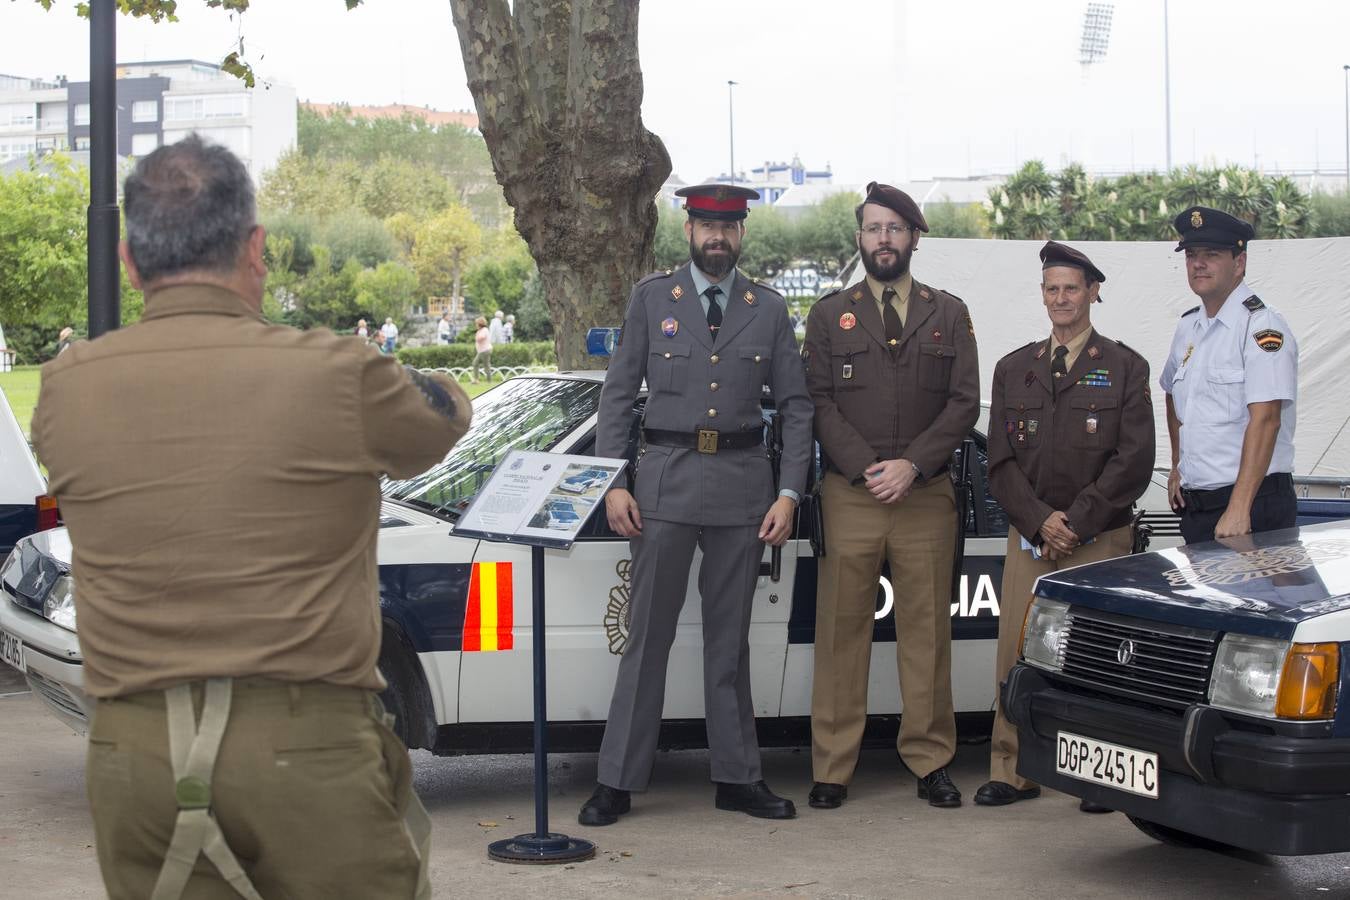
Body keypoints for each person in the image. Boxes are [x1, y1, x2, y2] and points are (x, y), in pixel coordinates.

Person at [31, 135, 472, 900]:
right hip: (305, 746)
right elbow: (437, 424)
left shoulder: (66, 388)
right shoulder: (335, 374)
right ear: (256, 248)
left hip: (135, 755)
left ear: (131, 264)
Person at [578, 182, 812, 826]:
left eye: (729, 227)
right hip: (663, 486)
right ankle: (617, 781)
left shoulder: (767, 309)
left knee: (727, 643)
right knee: (645, 639)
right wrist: (614, 482)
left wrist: (789, 492)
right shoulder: (654, 299)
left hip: (742, 489)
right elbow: (618, 396)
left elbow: (795, 409)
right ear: (687, 229)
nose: (718, 237)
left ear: (742, 234)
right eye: (707, 225)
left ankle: (738, 777)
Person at [802, 182, 979, 811]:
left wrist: (913, 465)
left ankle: (931, 758)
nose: (884, 239)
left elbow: (964, 403)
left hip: (925, 494)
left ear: (913, 237)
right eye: (873, 228)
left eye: (895, 229)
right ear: (860, 238)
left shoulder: (948, 312)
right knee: (840, 632)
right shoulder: (829, 315)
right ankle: (832, 765)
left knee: (927, 633)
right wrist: (869, 467)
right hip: (852, 494)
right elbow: (817, 401)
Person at [977, 241, 1154, 811]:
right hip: (1032, 538)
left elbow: (1134, 460)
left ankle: (1101, 778)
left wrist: (1074, 523)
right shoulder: (1013, 369)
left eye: (1071, 289)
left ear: (1093, 292)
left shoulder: (1125, 367)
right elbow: (999, 462)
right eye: (1052, 289)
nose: (1060, 299)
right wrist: (1039, 521)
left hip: (1099, 538)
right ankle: (1011, 767)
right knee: (1017, 655)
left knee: (1100, 659)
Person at [1161, 206, 1298, 544]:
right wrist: (1177, 463)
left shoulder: (1262, 326)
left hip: (1252, 507)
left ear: (1239, 262)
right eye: (1191, 254)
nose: (1198, 263)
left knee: (1254, 600)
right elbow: (1170, 392)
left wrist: (1240, 507)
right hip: (1197, 509)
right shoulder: (1187, 327)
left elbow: (1266, 420)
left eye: (1212, 254)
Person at [471, 315, 492, 384]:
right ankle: (488, 380)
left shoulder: (484, 330)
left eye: (476, 323)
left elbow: (482, 337)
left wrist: (477, 338)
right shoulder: (481, 330)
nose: (476, 325)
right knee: (486, 365)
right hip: (483, 350)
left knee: (475, 363)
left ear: (480, 324)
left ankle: (476, 380)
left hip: (484, 350)